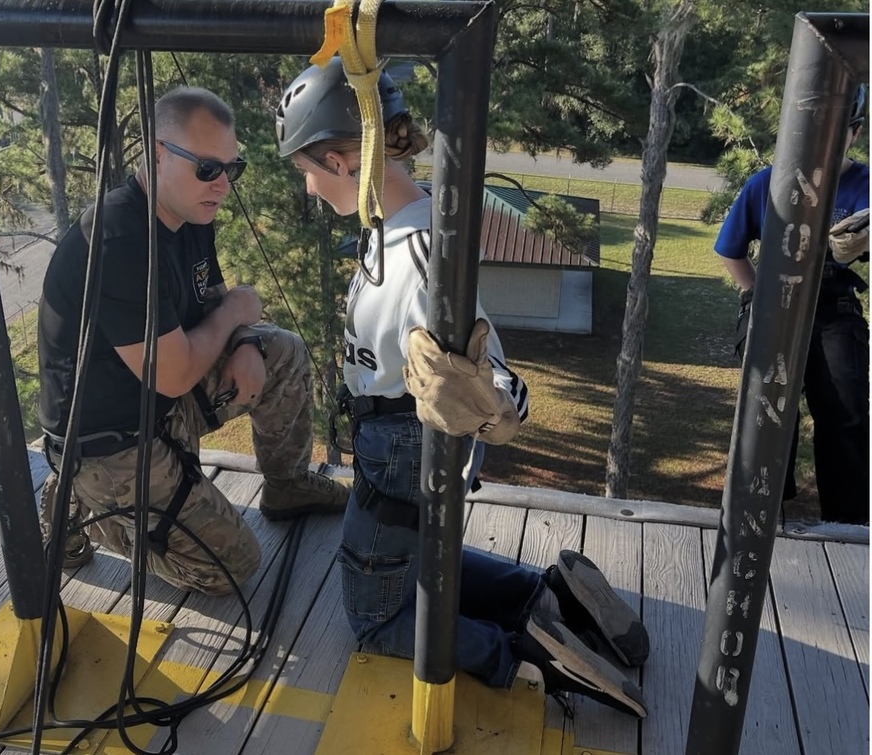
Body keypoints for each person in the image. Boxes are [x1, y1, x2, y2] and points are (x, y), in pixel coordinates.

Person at [274, 59, 649, 717]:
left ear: (340, 159)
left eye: (306, 171)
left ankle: (528, 655)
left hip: (400, 451)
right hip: (391, 444)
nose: (307, 189)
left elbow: (488, 367)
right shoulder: (399, 225)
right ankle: (546, 595)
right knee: (410, 564)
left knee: (376, 617)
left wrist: (498, 399)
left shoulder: (422, 257)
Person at [37, 86, 350, 595]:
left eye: (232, 169)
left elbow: (214, 302)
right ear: (158, 153)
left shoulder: (189, 212)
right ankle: (86, 509)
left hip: (161, 404)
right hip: (111, 443)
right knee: (231, 567)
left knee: (282, 351)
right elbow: (178, 370)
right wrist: (233, 314)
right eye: (208, 168)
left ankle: (287, 487)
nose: (223, 184)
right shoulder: (120, 239)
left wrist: (246, 339)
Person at [716, 84, 870, 525]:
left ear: (855, 134)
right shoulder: (767, 181)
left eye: (838, 130)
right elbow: (731, 250)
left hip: (833, 310)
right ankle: (760, 515)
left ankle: (848, 526)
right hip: (773, 304)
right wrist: (755, 297)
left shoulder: (866, 187)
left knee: (846, 413)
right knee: (765, 413)